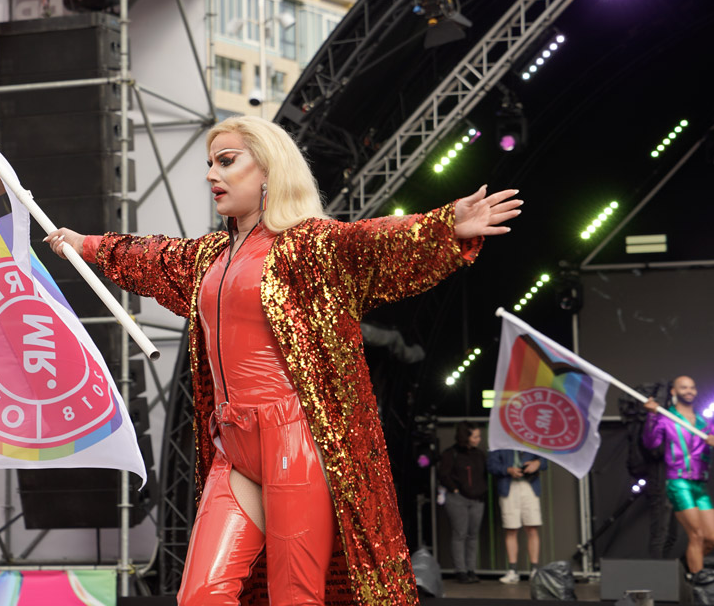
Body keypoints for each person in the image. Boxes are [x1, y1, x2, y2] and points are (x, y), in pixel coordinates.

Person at [45, 116, 522, 605]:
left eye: (227, 161)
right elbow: (152, 257)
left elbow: (371, 243)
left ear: (269, 169)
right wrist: (84, 245)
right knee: (201, 595)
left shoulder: (308, 246)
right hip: (234, 446)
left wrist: (444, 226)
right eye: (210, 163)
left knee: (296, 597)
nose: (212, 174)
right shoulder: (208, 256)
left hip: (295, 439)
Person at [642, 376, 714, 576]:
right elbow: (651, 444)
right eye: (684, 387)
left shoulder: (703, 420)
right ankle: (700, 585)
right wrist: (651, 417)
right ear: (673, 391)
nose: (689, 391)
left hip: (700, 484)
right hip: (678, 482)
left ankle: (687, 569)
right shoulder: (665, 417)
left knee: (712, 538)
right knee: (696, 535)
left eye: (692, 387)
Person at [437, 421, 487, 585]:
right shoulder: (451, 454)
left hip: (477, 499)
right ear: (466, 437)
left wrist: (481, 491)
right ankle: (461, 571)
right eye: (476, 436)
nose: (479, 439)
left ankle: (471, 570)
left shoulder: (479, 454)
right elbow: (443, 474)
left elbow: (483, 475)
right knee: (460, 534)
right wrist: (455, 490)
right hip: (458, 499)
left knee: (473, 535)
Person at [487, 448, 548, 583]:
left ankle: (534, 570)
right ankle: (513, 571)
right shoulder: (499, 442)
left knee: (532, 528)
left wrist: (537, 463)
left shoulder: (530, 438)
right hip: (508, 487)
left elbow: (545, 461)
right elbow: (491, 465)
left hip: (530, 486)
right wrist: (508, 470)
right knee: (511, 529)